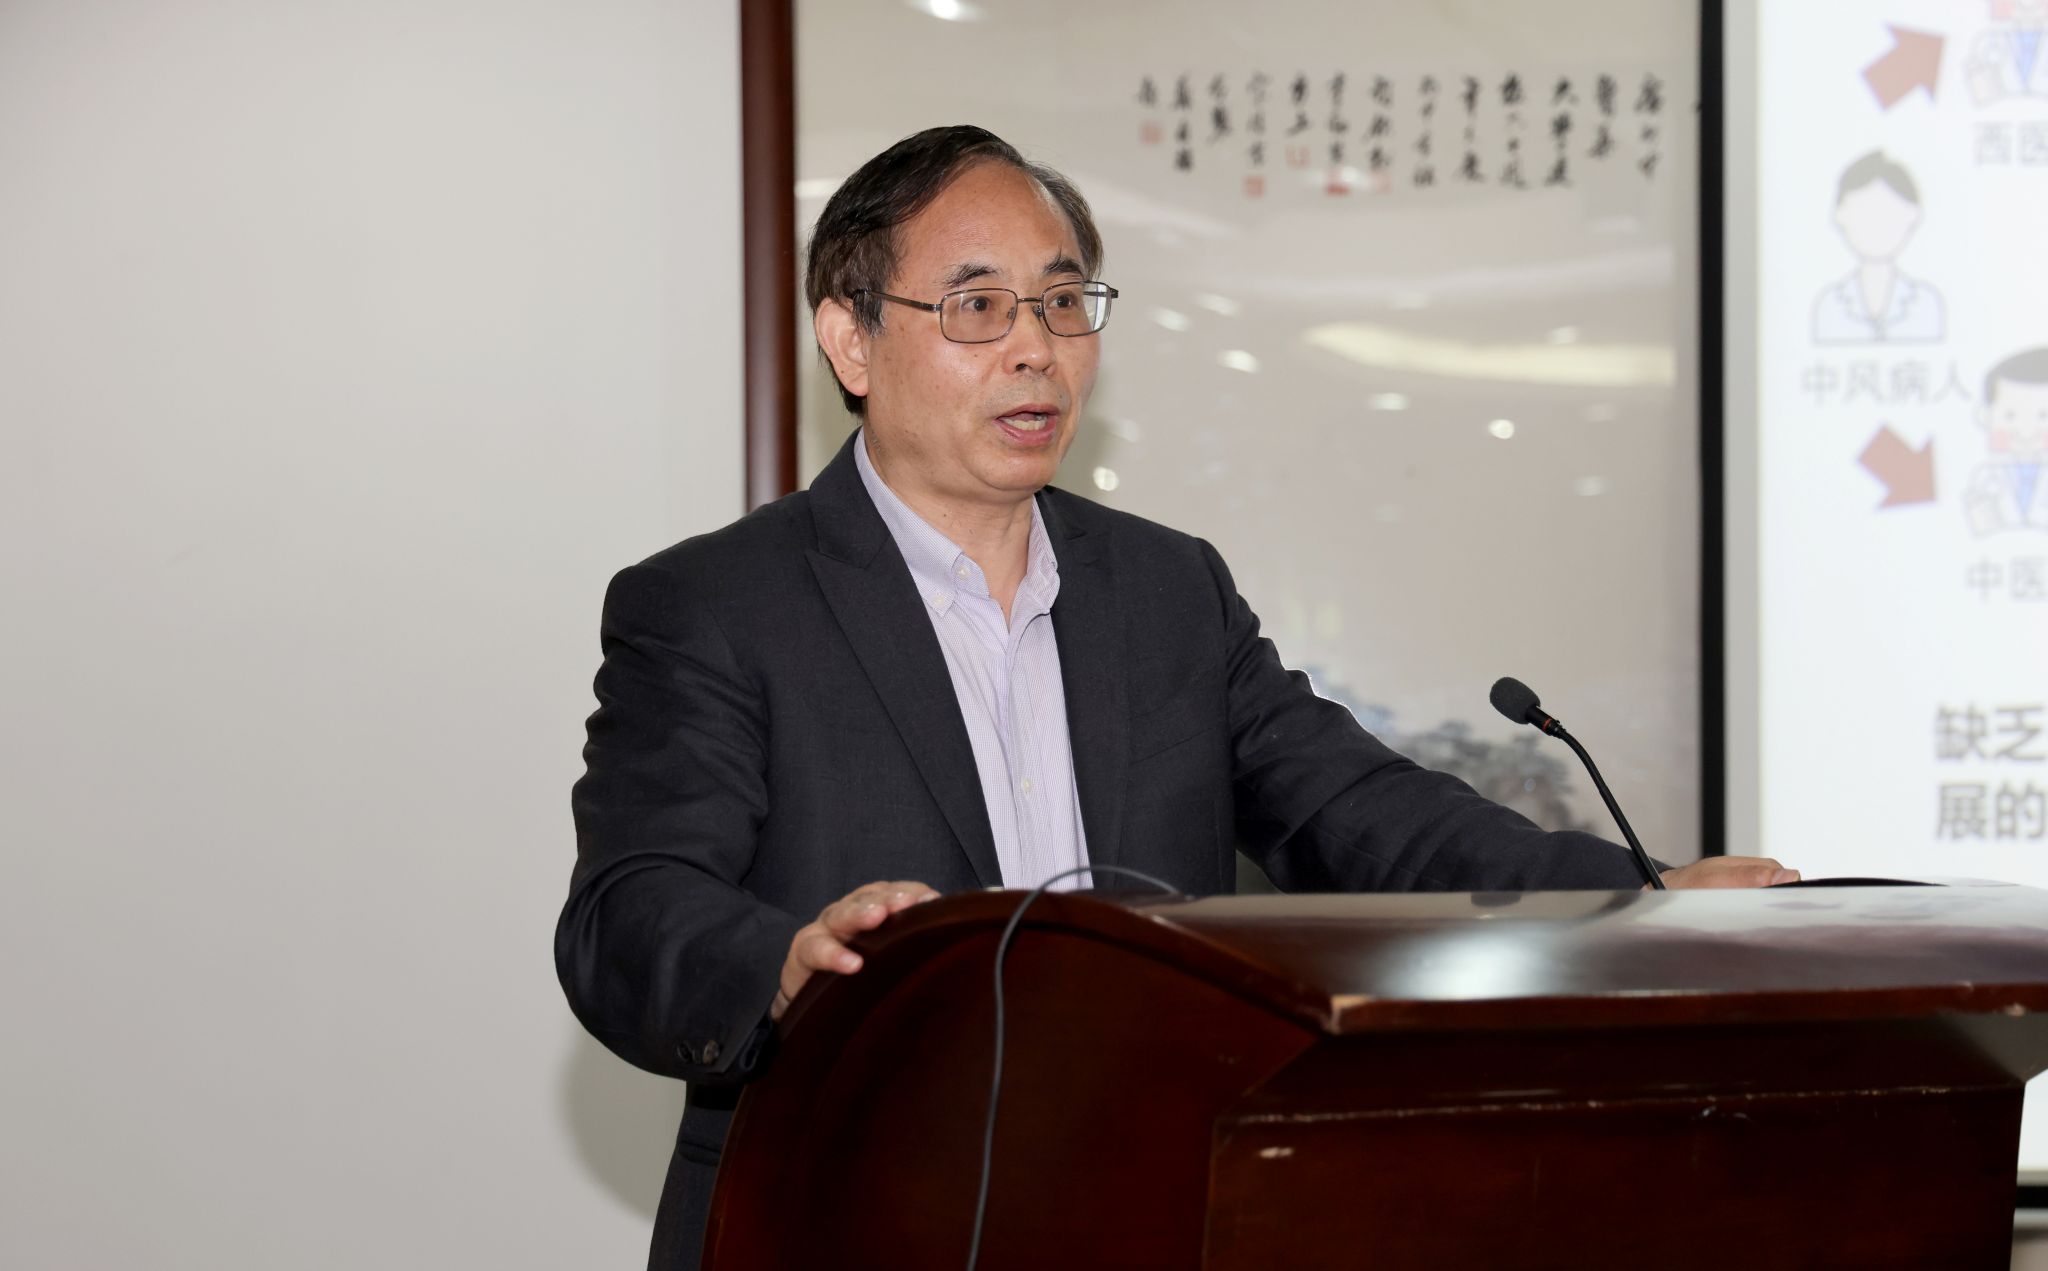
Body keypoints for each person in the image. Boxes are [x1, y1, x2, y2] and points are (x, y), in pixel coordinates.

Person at [556, 124, 1794, 1271]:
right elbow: (629, 913)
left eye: (1061, 301)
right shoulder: (717, 605)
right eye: (977, 306)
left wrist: (1638, 903)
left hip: (1144, 1206)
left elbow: (1365, 813)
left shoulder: (1163, 590)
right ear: (851, 340)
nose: (1035, 347)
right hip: (838, 1215)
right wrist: (786, 962)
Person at [1811, 151, 1945, 345]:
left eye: (1889, 213)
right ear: (1839, 216)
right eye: (1863, 213)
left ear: (1913, 216)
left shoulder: (1926, 302)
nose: (1876, 226)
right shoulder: (1829, 304)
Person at [1964, 346, 2048, 535]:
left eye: (2043, 416)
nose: (2026, 432)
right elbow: (1981, 527)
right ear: (1986, 418)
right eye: (2010, 416)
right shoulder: (1986, 477)